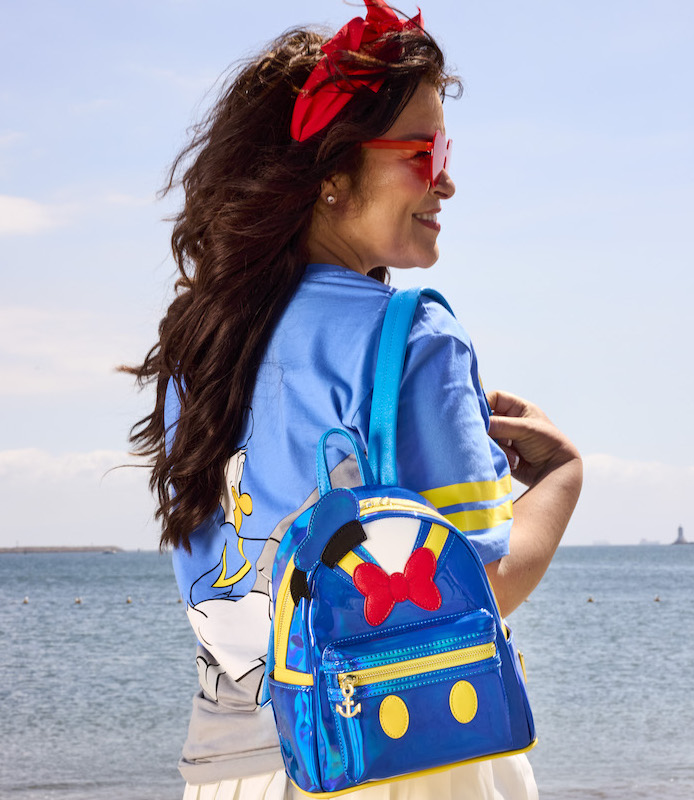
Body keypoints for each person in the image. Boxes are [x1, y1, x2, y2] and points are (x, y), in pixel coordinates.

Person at [126, 1, 582, 798]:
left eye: (445, 147)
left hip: (227, 770)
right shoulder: (414, 338)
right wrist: (564, 478)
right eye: (421, 150)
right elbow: (483, 584)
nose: (446, 176)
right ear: (331, 175)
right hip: (400, 761)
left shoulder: (194, 354)